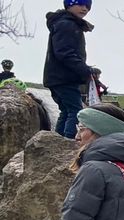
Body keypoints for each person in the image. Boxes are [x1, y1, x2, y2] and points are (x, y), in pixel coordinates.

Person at [44, 0, 92, 138]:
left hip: (57, 77)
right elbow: (65, 52)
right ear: (69, 5)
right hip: (64, 77)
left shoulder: (65, 23)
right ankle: (69, 142)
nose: (85, 9)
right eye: (80, 4)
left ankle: (57, 141)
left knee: (66, 111)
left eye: (87, 6)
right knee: (75, 111)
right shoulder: (67, 24)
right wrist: (85, 69)